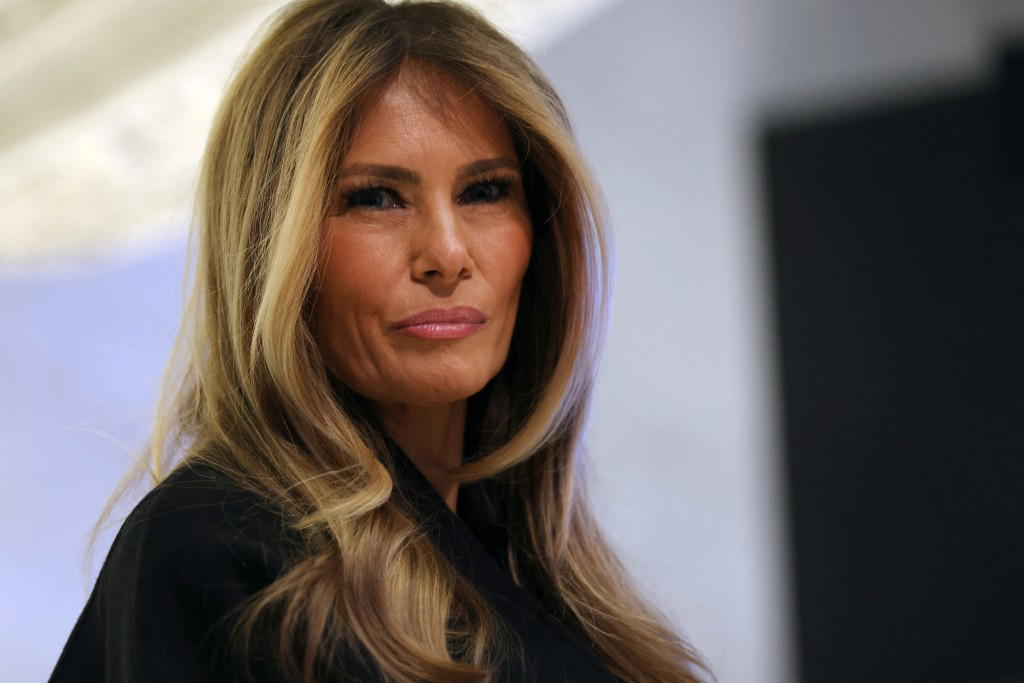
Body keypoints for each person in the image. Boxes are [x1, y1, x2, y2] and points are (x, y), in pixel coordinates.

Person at [50, 1, 709, 681]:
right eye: (376, 198)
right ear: (274, 246)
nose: (447, 254)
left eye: (485, 191)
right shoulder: (215, 551)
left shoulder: (552, 584)